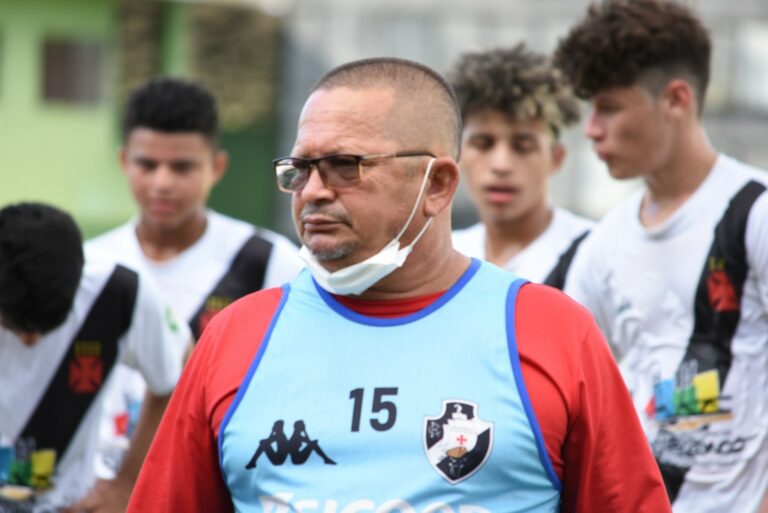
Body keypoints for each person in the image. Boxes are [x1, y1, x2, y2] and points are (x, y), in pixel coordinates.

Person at [127, 57, 670, 513]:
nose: (313, 191)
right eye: (301, 167)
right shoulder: (234, 337)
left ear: (437, 184)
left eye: (344, 165)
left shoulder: (551, 332)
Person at [555, 1, 768, 511]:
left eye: (608, 107)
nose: (590, 129)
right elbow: (569, 400)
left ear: (675, 99)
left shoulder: (756, 213)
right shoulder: (602, 247)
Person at [87, 77, 303, 478]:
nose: (162, 182)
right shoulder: (91, 266)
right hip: (101, 487)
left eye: (182, 166)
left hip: (214, 480)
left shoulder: (268, 262)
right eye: (147, 164)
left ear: (217, 167)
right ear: (123, 161)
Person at [0, 202, 187, 512]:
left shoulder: (120, 292)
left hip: (71, 503)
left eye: (47, 327)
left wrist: (127, 483)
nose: (31, 340)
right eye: (15, 326)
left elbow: (176, 375)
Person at [449, 44, 593, 288]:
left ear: (556, 158)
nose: (501, 165)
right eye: (483, 144)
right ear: (458, 155)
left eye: (523, 146)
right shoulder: (444, 256)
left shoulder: (594, 253)